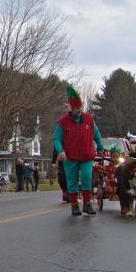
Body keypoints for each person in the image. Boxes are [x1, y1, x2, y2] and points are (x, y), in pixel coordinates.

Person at [53, 85, 103, 216]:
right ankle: (74, 205)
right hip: (70, 156)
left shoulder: (89, 119)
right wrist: (60, 150)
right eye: (76, 108)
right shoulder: (62, 122)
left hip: (87, 154)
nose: (79, 110)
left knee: (87, 176)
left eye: (80, 108)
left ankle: (87, 204)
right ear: (70, 108)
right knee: (72, 180)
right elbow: (57, 139)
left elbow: (96, 134)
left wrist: (101, 146)